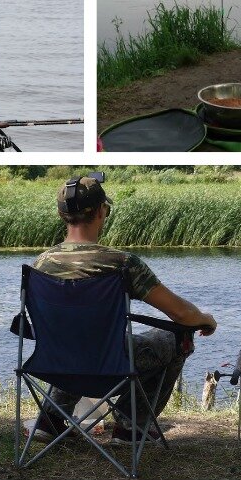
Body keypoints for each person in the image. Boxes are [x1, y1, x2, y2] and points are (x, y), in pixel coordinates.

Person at [31, 174, 218, 442]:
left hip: (56, 364)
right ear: (101, 211)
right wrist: (205, 319)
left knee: (72, 339)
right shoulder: (121, 264)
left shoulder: (40, 264)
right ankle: (131, 425)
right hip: (112, 367)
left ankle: (50, 418)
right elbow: (181, 315)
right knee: (179, 337)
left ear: (62, 215)